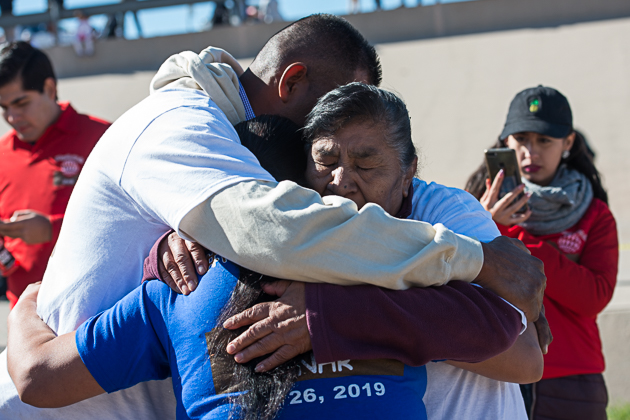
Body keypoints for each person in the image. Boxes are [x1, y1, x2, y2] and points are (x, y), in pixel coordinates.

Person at [0, 14, 543, 419]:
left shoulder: (415, 225)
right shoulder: (191, 243)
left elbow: (521, 353)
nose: (340, 182)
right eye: (324, 155)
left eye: (368, 159)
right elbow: (273, 230)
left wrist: (333, 314)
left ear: (410, 171)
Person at [465, 85, 618, 420]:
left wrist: (511, 235)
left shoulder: (595, 215)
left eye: (544, 141)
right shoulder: (470, 209)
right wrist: (483, 226)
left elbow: (593, 297)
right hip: (495, 371)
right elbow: (451, 282)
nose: (530, 152)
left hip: (572, 379)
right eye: (521, 139)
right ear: (505, 142)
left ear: (568, 143)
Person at [0, 42, 109, 308]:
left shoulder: (104, 138)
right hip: (24, 318)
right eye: (3, 108)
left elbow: (136, 220)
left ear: (49, 89)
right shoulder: (2, 153)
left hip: (95, 312)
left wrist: (52, 229)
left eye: (21, 103)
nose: (12, 117)